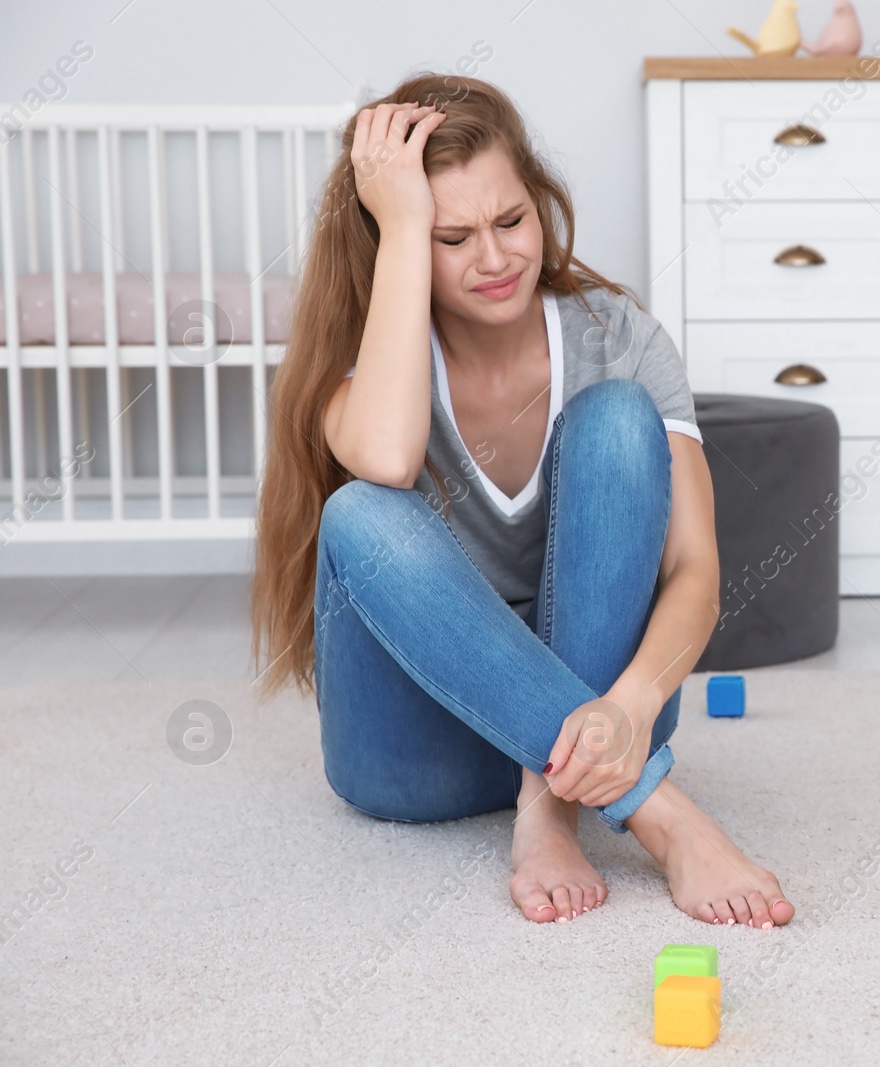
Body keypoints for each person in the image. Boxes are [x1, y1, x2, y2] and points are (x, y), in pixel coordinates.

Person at [250, 74, 793, 929]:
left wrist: (631, 707)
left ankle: (549, 803)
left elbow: (696, 569)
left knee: (620, 418)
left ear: (540, 203)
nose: (496, 259)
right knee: (360, 514)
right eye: (451, 236)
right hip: (414, 759)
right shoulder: (362, 367)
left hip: (607, 724)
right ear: (399, 242)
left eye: (511, 221)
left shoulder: (619, 337)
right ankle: (661, 815)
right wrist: (396, 227)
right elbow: (387, 461)